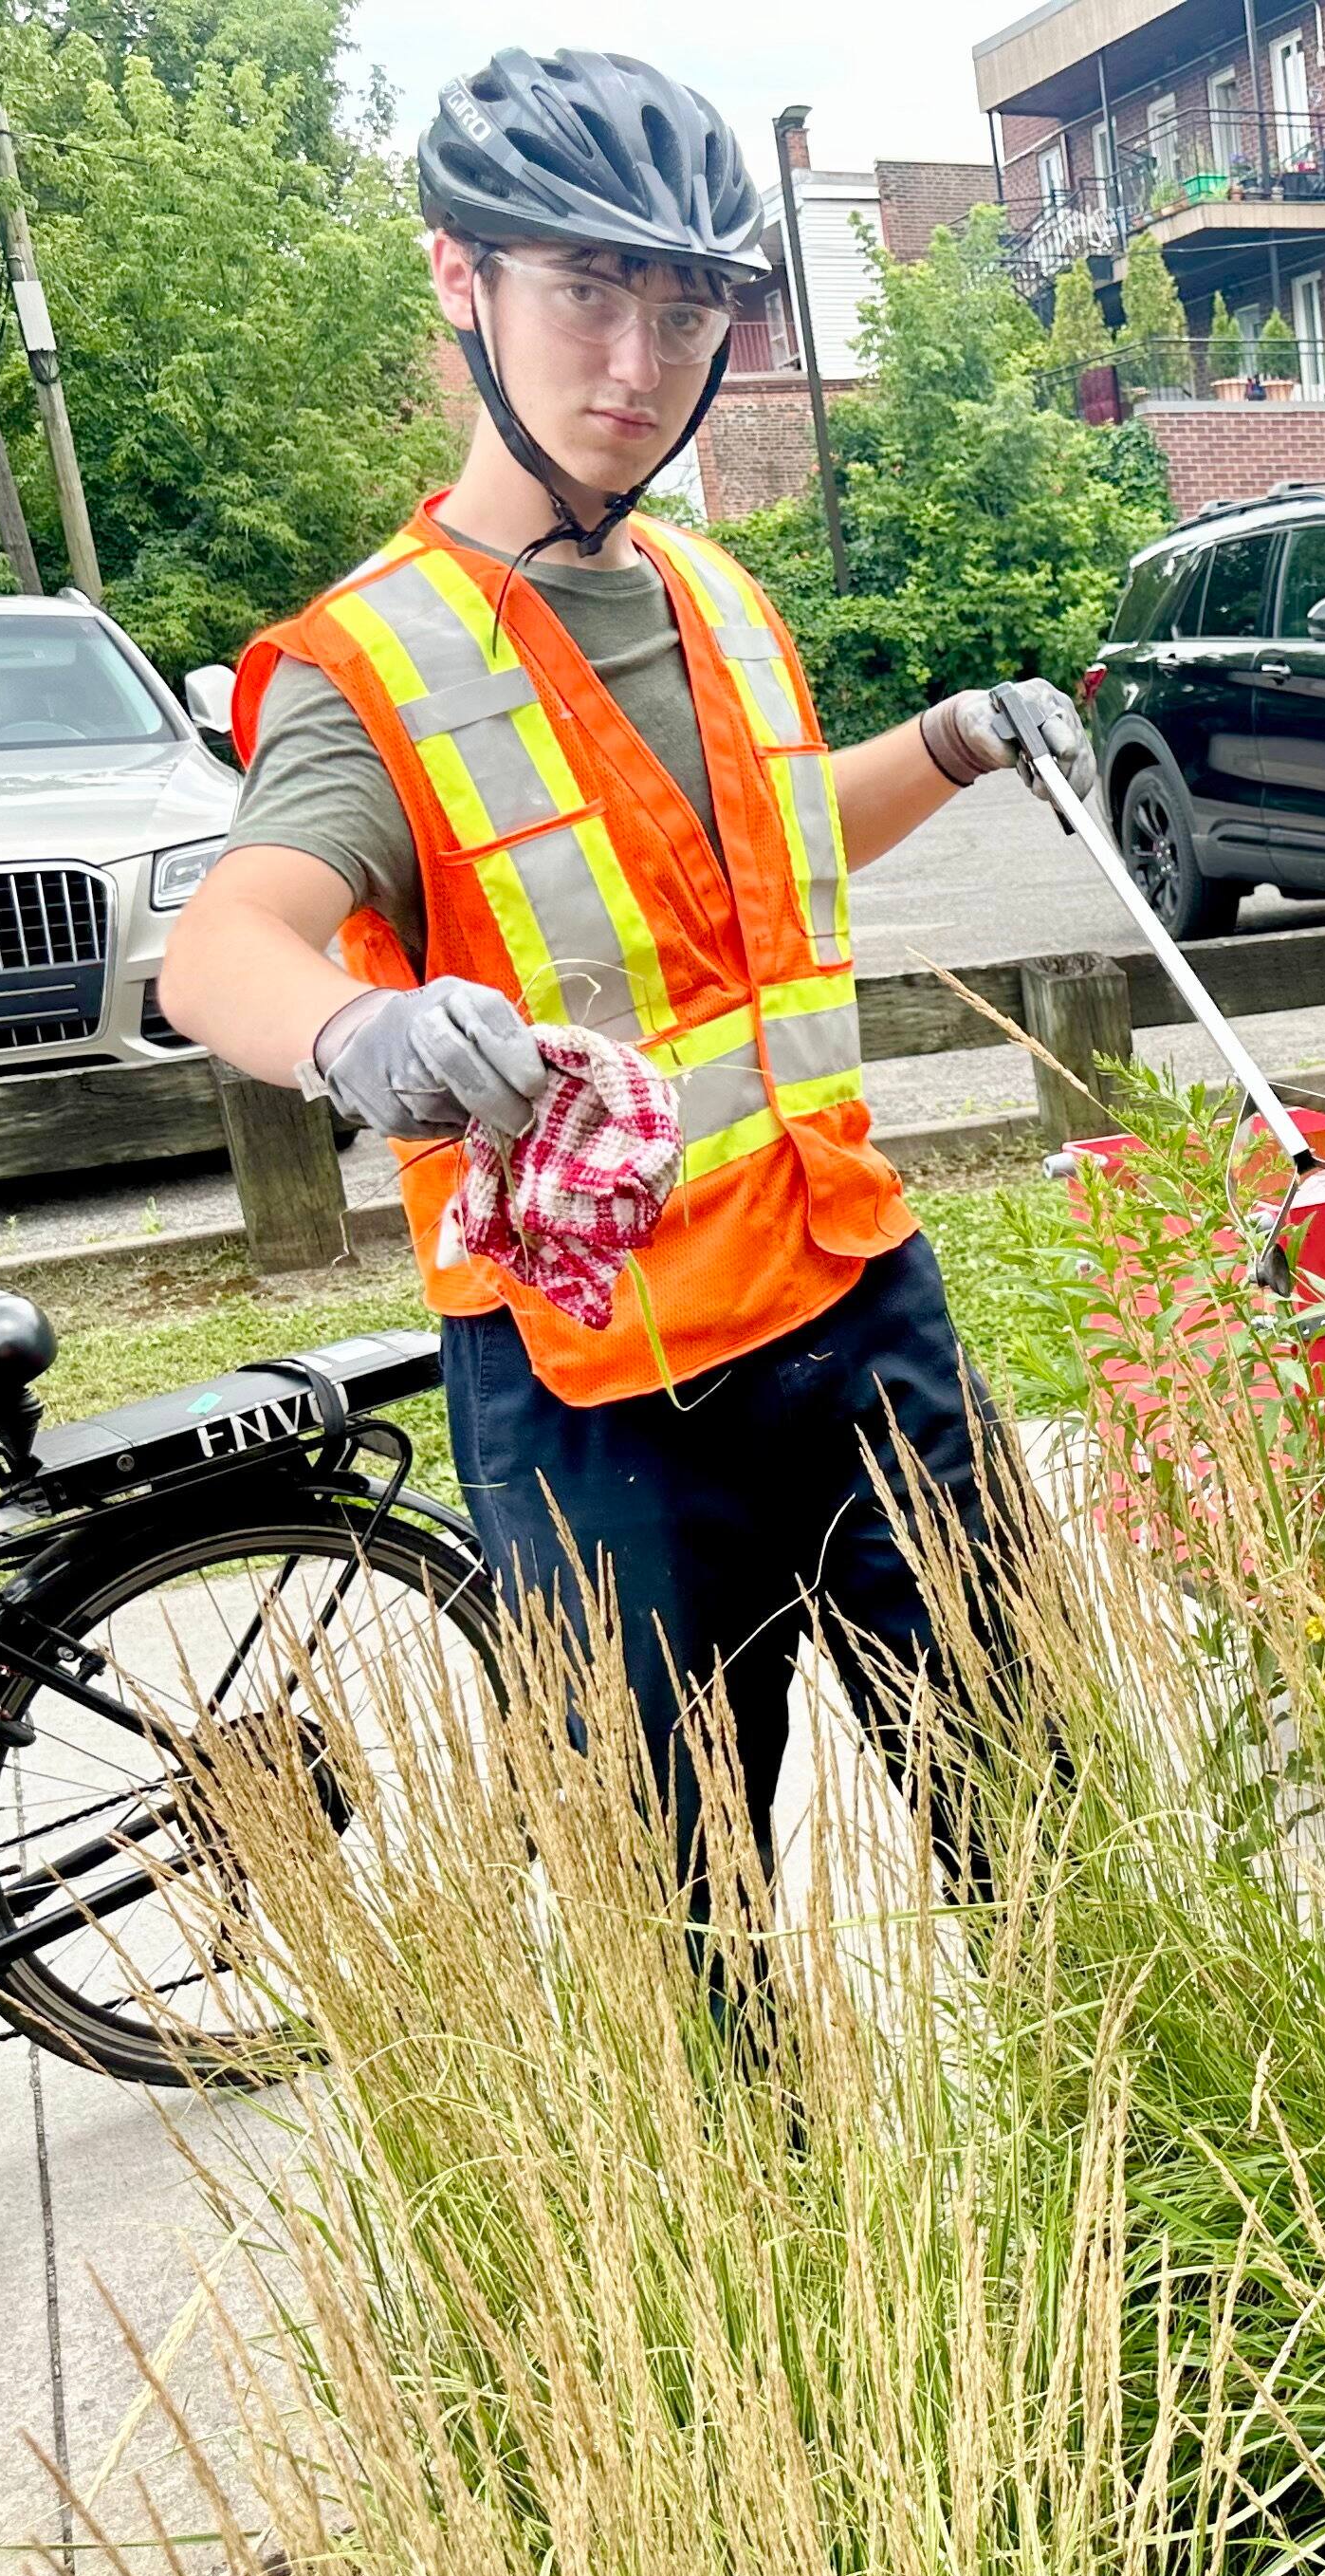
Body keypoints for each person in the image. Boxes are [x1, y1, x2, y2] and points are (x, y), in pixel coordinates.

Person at [162, 48, 1088, 1963]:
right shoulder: (373, 662)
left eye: (687, 310)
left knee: (1048, 1822)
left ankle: (1146, 2251)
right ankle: (765, 2256)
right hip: (600, 1404)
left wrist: (953, 738)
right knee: (691, 1933)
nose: (637, 360)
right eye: (586, 291)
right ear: (458, 279)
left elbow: (756, 849)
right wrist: (354, 1033)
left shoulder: (720, 598)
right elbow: (228, 939)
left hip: (855, 1312)